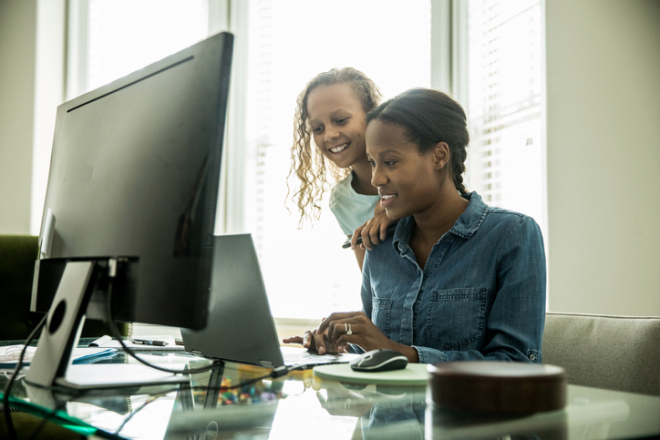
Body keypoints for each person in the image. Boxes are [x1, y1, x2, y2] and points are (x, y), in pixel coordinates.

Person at [284, 88, 546, 363]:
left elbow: (518, 365)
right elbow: (377, 350)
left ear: (439, 156)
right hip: (387, 407)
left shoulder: (512, 236)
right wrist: (340, 346)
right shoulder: (379, 245)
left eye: (390, 162)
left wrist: (403, 355)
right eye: (373, 163)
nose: (376, 178)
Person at [289, 67, 396, 270]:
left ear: (372, 114)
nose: (329, 135)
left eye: (340, 121)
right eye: (318, 129)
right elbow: (370, 278)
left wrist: (392, 215)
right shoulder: (342, 201)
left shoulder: (413, 173)